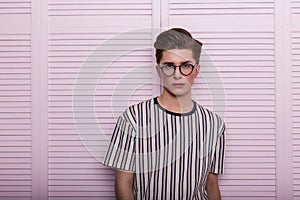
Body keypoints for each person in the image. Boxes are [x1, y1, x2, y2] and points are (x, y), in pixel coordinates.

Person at [103, 28, 226, 200]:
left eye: (186, 66)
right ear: (159, 70)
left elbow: (212, 186)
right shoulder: (133, 118)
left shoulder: (214, 124)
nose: (177, 75)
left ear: (196, 70)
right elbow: (123, 185)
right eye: (169, 66)